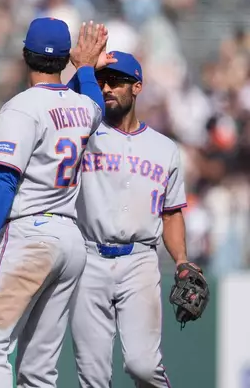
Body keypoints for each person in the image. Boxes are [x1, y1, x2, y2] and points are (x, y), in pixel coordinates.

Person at [0, 19, 108, 388]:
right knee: (39, 368)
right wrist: (85, 68)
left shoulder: (20, 108)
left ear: (25, 55)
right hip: (70, 240)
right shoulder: (84, 106)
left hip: (30, 235)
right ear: (66, 57)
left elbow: (5, 180)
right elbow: (94, 103)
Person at [69, 51, 198, 388]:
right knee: (92, 375)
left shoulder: (164, 148)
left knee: (144, 366)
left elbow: (171, 213)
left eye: (116, 81)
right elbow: (63, 103)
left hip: (140, 260)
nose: (107, 88)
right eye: (101, 82)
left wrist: (182, 261)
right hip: (88, 258)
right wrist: (82, 67)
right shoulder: (85, 135)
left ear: (137, 87)